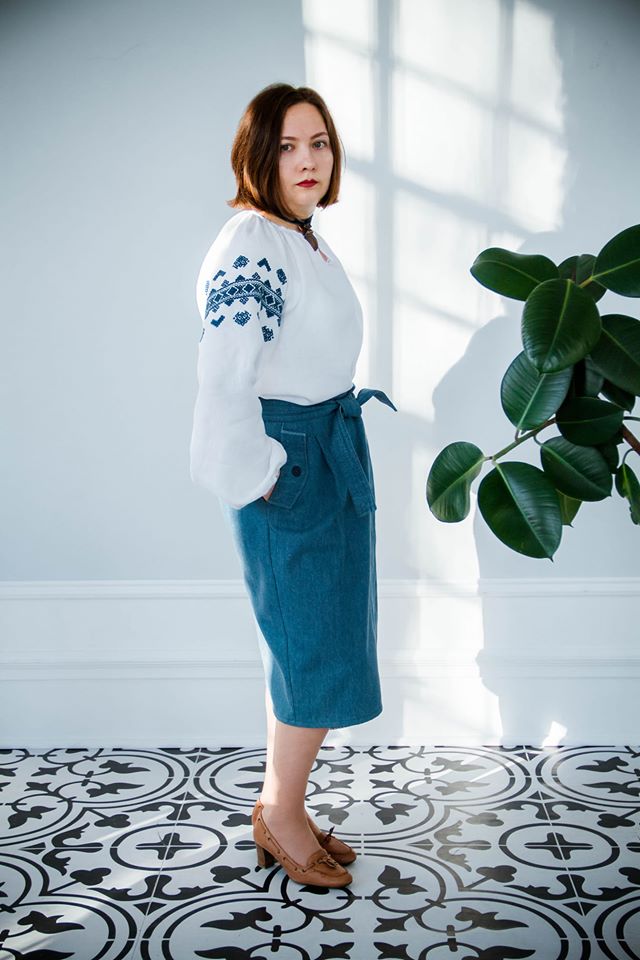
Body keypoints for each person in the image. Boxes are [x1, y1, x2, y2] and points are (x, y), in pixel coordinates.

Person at [189, 82, 397, 888]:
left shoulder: (300, 237)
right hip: (293, 461)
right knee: (308, 647)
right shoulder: (253, 240)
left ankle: (286, 807)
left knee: (322, 641)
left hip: (326, 446)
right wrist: (263, 473)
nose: (307, 160)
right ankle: (279, 813)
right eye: (286, 146)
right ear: (257, 155)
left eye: (319, 143)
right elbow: (224, 373)